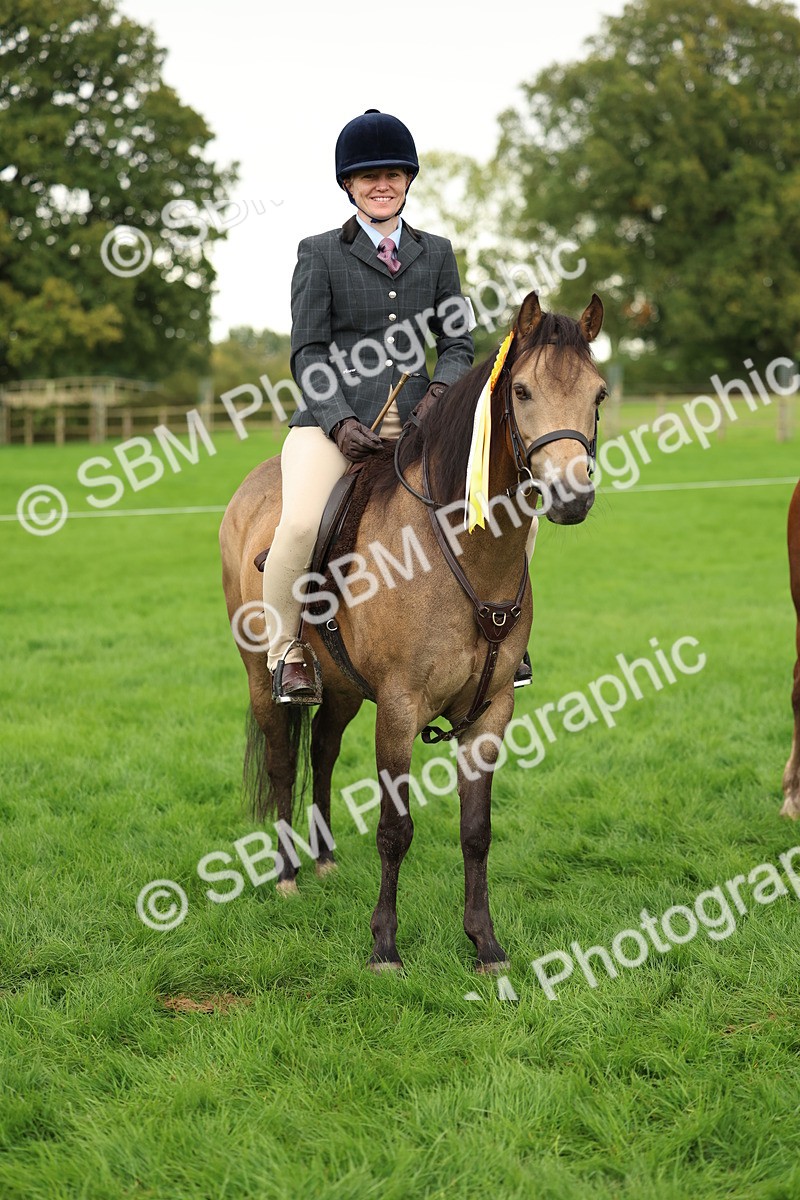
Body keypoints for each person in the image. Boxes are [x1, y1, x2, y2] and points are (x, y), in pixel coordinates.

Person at [263, 109, 532, 702]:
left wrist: (440, 393)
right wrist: (338, 421)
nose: (380, 184)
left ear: (408, 180)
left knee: (509, 507)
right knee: (301, 523)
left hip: (424, 426)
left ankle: (507, 638)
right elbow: (307, 353)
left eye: (391, 173)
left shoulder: (436, 253)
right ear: (348, 186)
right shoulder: (319, 253)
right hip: (333, 425)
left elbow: (457, 342)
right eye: (366, 176)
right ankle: (287, 651)